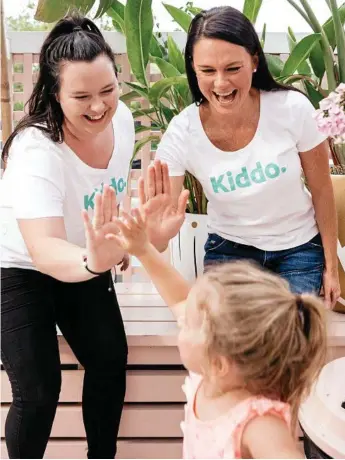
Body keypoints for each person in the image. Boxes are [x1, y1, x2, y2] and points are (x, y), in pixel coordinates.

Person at [0, 12, 134, 459]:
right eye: (81, 96)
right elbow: (42, 249)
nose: (98, 106)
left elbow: (108, 194)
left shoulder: (124, 122)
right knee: (38, 390)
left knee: (110, 362)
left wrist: (119, 240)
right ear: (55, 95)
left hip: (82, 257)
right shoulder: (36, 148)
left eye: (108, 91)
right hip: (19, 267)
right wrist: (96, 260)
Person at [148, 6, 340, 308]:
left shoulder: (292, 108)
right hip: (230, 252)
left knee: (287, 335)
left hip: (298, 250)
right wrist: (157, 236)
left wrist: (331, 267)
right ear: (193, 69)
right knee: (233, 337)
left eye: (232, 69)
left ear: (253, 61)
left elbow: (321, 188)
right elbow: (159, 231)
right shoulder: (182, 131)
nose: (221, 84)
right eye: (208, 71)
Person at [104, 203, 327, 459]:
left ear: (220, 362)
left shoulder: (257, 422)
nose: (181, 320)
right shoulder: (209, 376)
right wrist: (143, 249)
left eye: (188, 323)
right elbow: (179, 299)